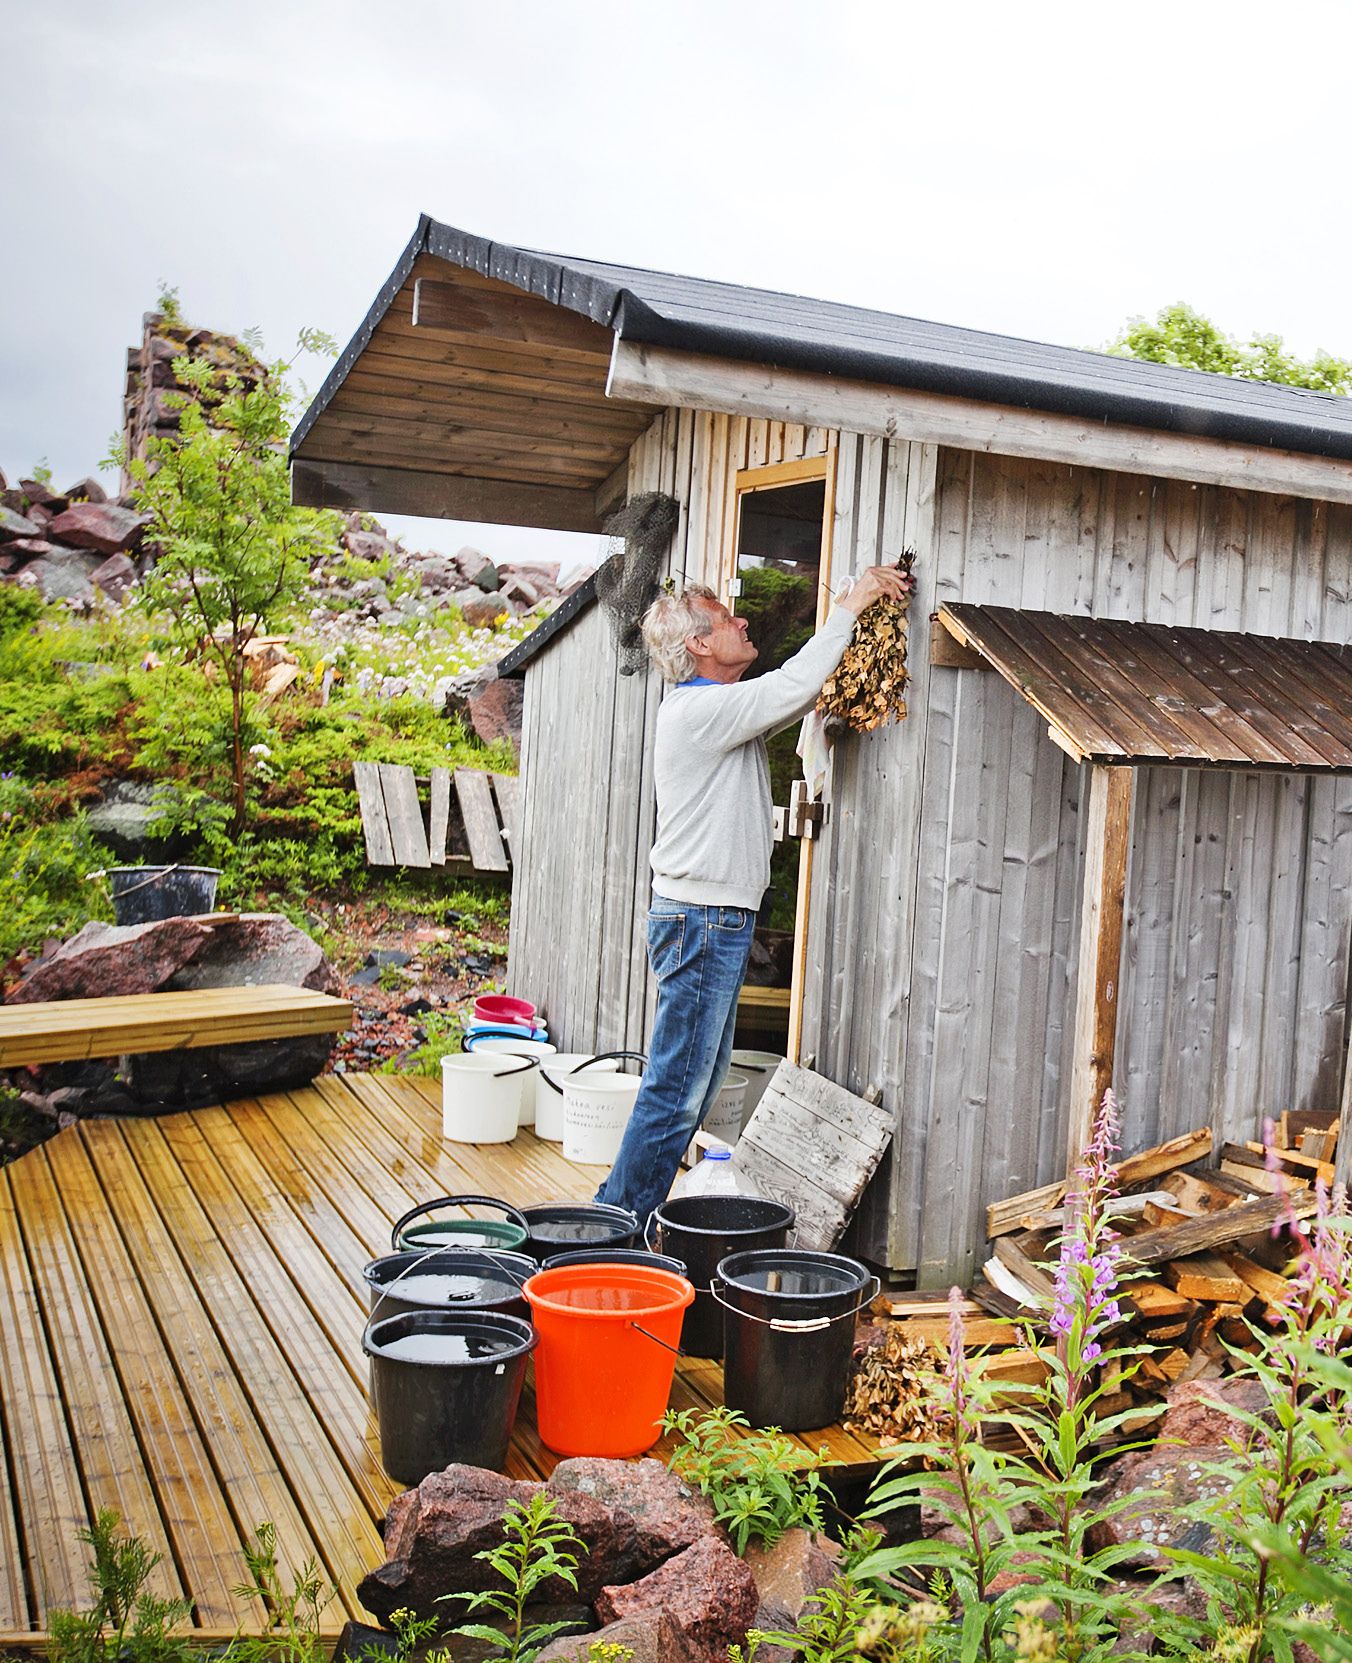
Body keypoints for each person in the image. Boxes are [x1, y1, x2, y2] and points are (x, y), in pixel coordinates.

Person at [594, 565, 910, 1226]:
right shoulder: (700, 709)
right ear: (701, 646)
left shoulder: (716, 714)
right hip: (700, 920)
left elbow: (792, 699)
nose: (743, 622)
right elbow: (792, 686)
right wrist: (851, 604)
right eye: (727, 618)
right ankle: (616, 1222)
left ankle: (630, 1219)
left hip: (709, 919)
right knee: (678, 1087)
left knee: (696, 1083)